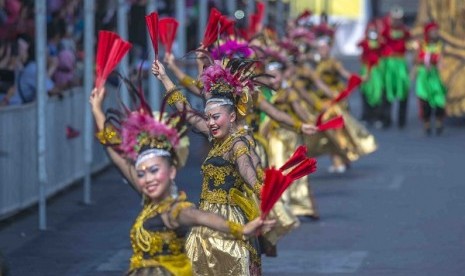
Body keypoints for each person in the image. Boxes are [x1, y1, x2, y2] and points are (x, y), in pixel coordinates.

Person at [89, 84, 274, 275]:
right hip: (206, 211)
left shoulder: (175, 210)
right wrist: (97, 110)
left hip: (227, 213)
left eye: (154, 170)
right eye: (142, 173)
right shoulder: (150, 199)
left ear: (172, 171)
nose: (147, 179)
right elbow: (119, 155)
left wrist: (241, 228)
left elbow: (203, 215)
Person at [152, 58, 267, 275]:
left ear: (232, 116)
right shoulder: (216, 139)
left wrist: (262, 190)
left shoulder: (238, 143)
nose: (211, 123)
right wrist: (165, 77)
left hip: (229, 221)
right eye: (208, 118)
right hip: (204, 220)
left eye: (216, 117)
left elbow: (247, 170)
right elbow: (186, 111)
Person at [412, 22, 447, 135]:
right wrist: (426, 60)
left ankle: (438, 122)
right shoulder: (421, 44)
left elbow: (442, 60)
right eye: (433, 31)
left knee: (439, 99)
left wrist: (439, 63)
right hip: (424, 75)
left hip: (435, 75)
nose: (435, 33)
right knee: (425, 100)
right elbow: (415, 60)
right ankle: (426, 123)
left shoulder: (440, 45)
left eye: (436, 31)